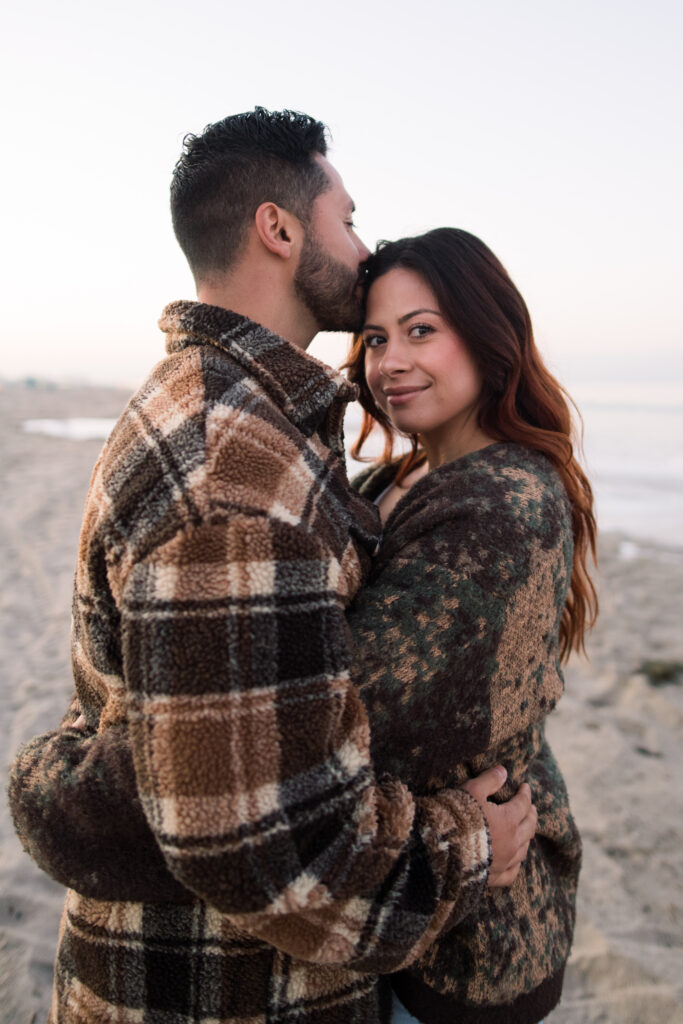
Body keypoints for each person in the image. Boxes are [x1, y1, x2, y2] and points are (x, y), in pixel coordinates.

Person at [8, 111, 535, 1024]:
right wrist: (469, 849)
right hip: (224, 990)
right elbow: (264, 844)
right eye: (350, 218)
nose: (364, 250)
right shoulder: (236, 461)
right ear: (280, 229)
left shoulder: (225, 409)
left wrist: (69, 785)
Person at [342, 227, 598, 1023]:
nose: (390, 362)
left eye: (422, 330)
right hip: (406, 899)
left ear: (487, 334)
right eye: (376, 339)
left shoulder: (500, 504)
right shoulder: (406, 469)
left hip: (466, 946)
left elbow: (361, 723)